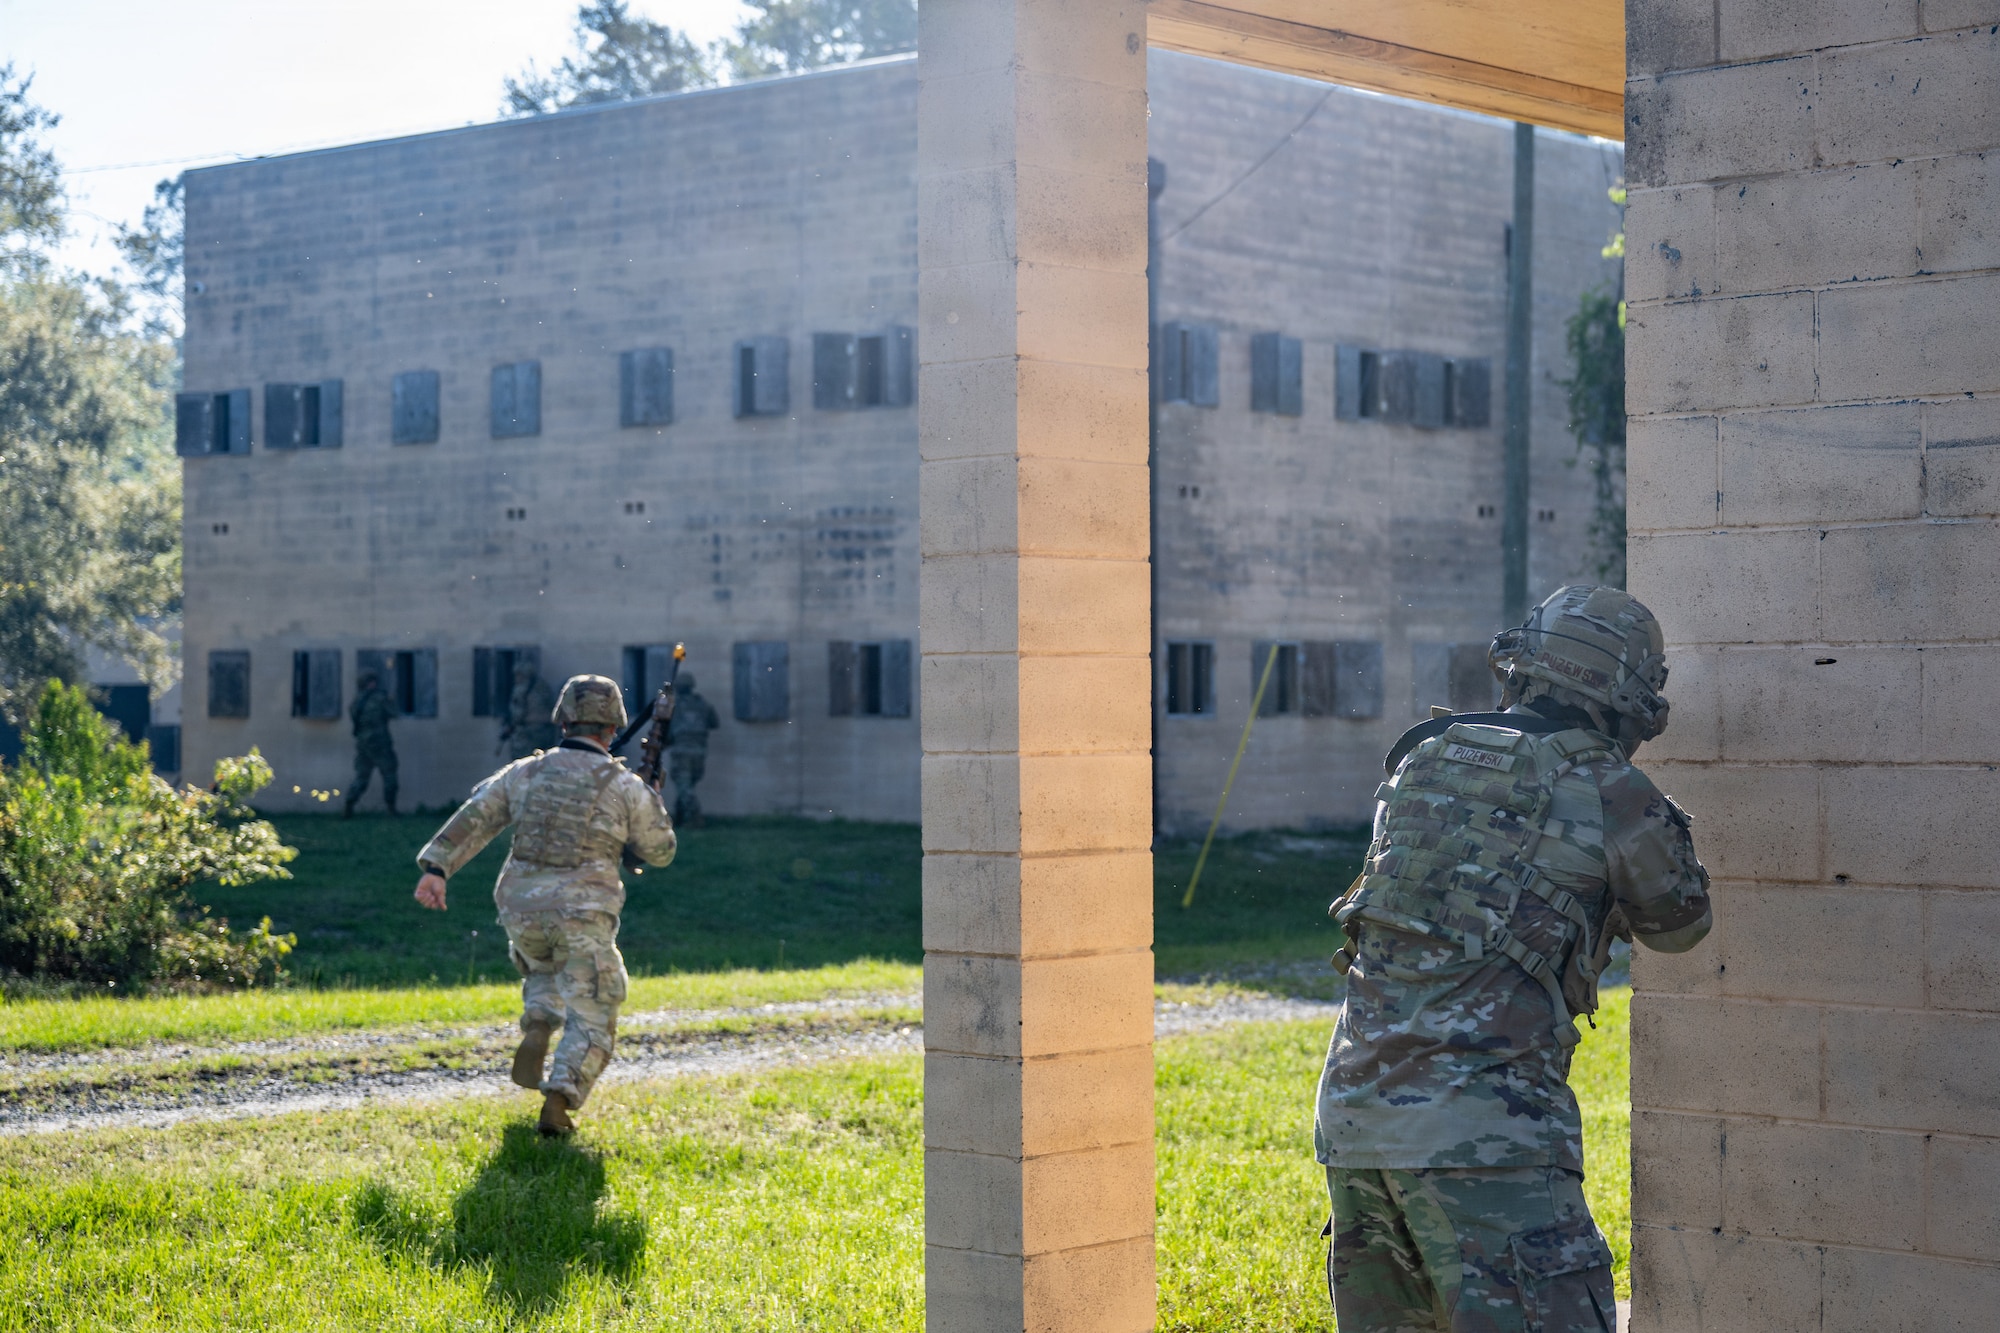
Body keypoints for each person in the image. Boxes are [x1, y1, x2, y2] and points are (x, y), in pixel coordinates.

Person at [1316, 585, 1713, 1332]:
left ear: (1523, 669)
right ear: (1626, 698)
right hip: (1491, 1144)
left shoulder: (1424, 757)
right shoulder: (1609, 786)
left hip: (1355, 1126)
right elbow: (1680, 925)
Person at [412, 674, 676, 1136]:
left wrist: (436, 869)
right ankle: (559, 1099)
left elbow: (477, 814)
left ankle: (538, 1021)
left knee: (545, 968)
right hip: (583, 909)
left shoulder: (524, 771)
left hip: (520, 905)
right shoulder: (622, 784)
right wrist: (653, 796)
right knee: (595, 1004)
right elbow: (660, 851)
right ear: (613, 727)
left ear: (563, 720)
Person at [663, 671, 721, 826]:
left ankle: (695, 820)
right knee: (687, 786)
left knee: (684, 787)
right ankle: (680, 817)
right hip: (699, 752)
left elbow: (666, 730)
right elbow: (715, 723)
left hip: (681, 752)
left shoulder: (674, 706)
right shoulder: (703, 704)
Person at [344, 671, 398, 817]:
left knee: (361, 777)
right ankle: (391, 808)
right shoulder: (379, 699)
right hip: (380, 744)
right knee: (389, 776)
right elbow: (394, 712)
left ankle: (349, 804)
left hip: (363, 745)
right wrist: (391, 699)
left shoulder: (357, 702)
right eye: (372, 681)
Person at [502, 661, 559, 760]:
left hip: (530, 735)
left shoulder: (524, 689)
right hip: (542, 734)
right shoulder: (541, 686)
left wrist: (513, 724)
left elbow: (518, 714)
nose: (516, 678)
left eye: (519, 675)